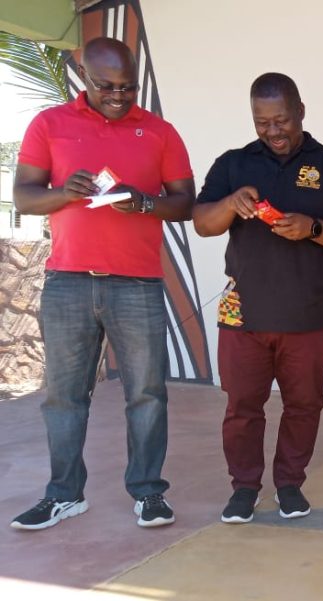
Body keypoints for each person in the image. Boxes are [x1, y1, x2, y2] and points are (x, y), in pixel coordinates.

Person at [9, 38, 194, 531]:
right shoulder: (49, 124)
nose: (118, 96)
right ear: (83, 76)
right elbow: (24, 197)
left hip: (137, 284)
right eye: (106, 86)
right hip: (68, 282)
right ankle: (64, 495)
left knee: (147, 393)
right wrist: (63, 193)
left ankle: (148, 493)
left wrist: (145, 202)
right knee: (64, 395)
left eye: (127, 87)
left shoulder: (159, 132)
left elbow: (185, 203)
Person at [193, 73, 323, 524]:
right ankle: (244, 487)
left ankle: (289, 484)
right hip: (243, 312)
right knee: (241, 407)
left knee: (304, 405)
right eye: (262, 122)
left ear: (301, 111)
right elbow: (203, 223)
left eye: (281, 120)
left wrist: (312, 228)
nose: (273, 131)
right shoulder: (233, 164)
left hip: (308, 312)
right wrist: (230, 203)